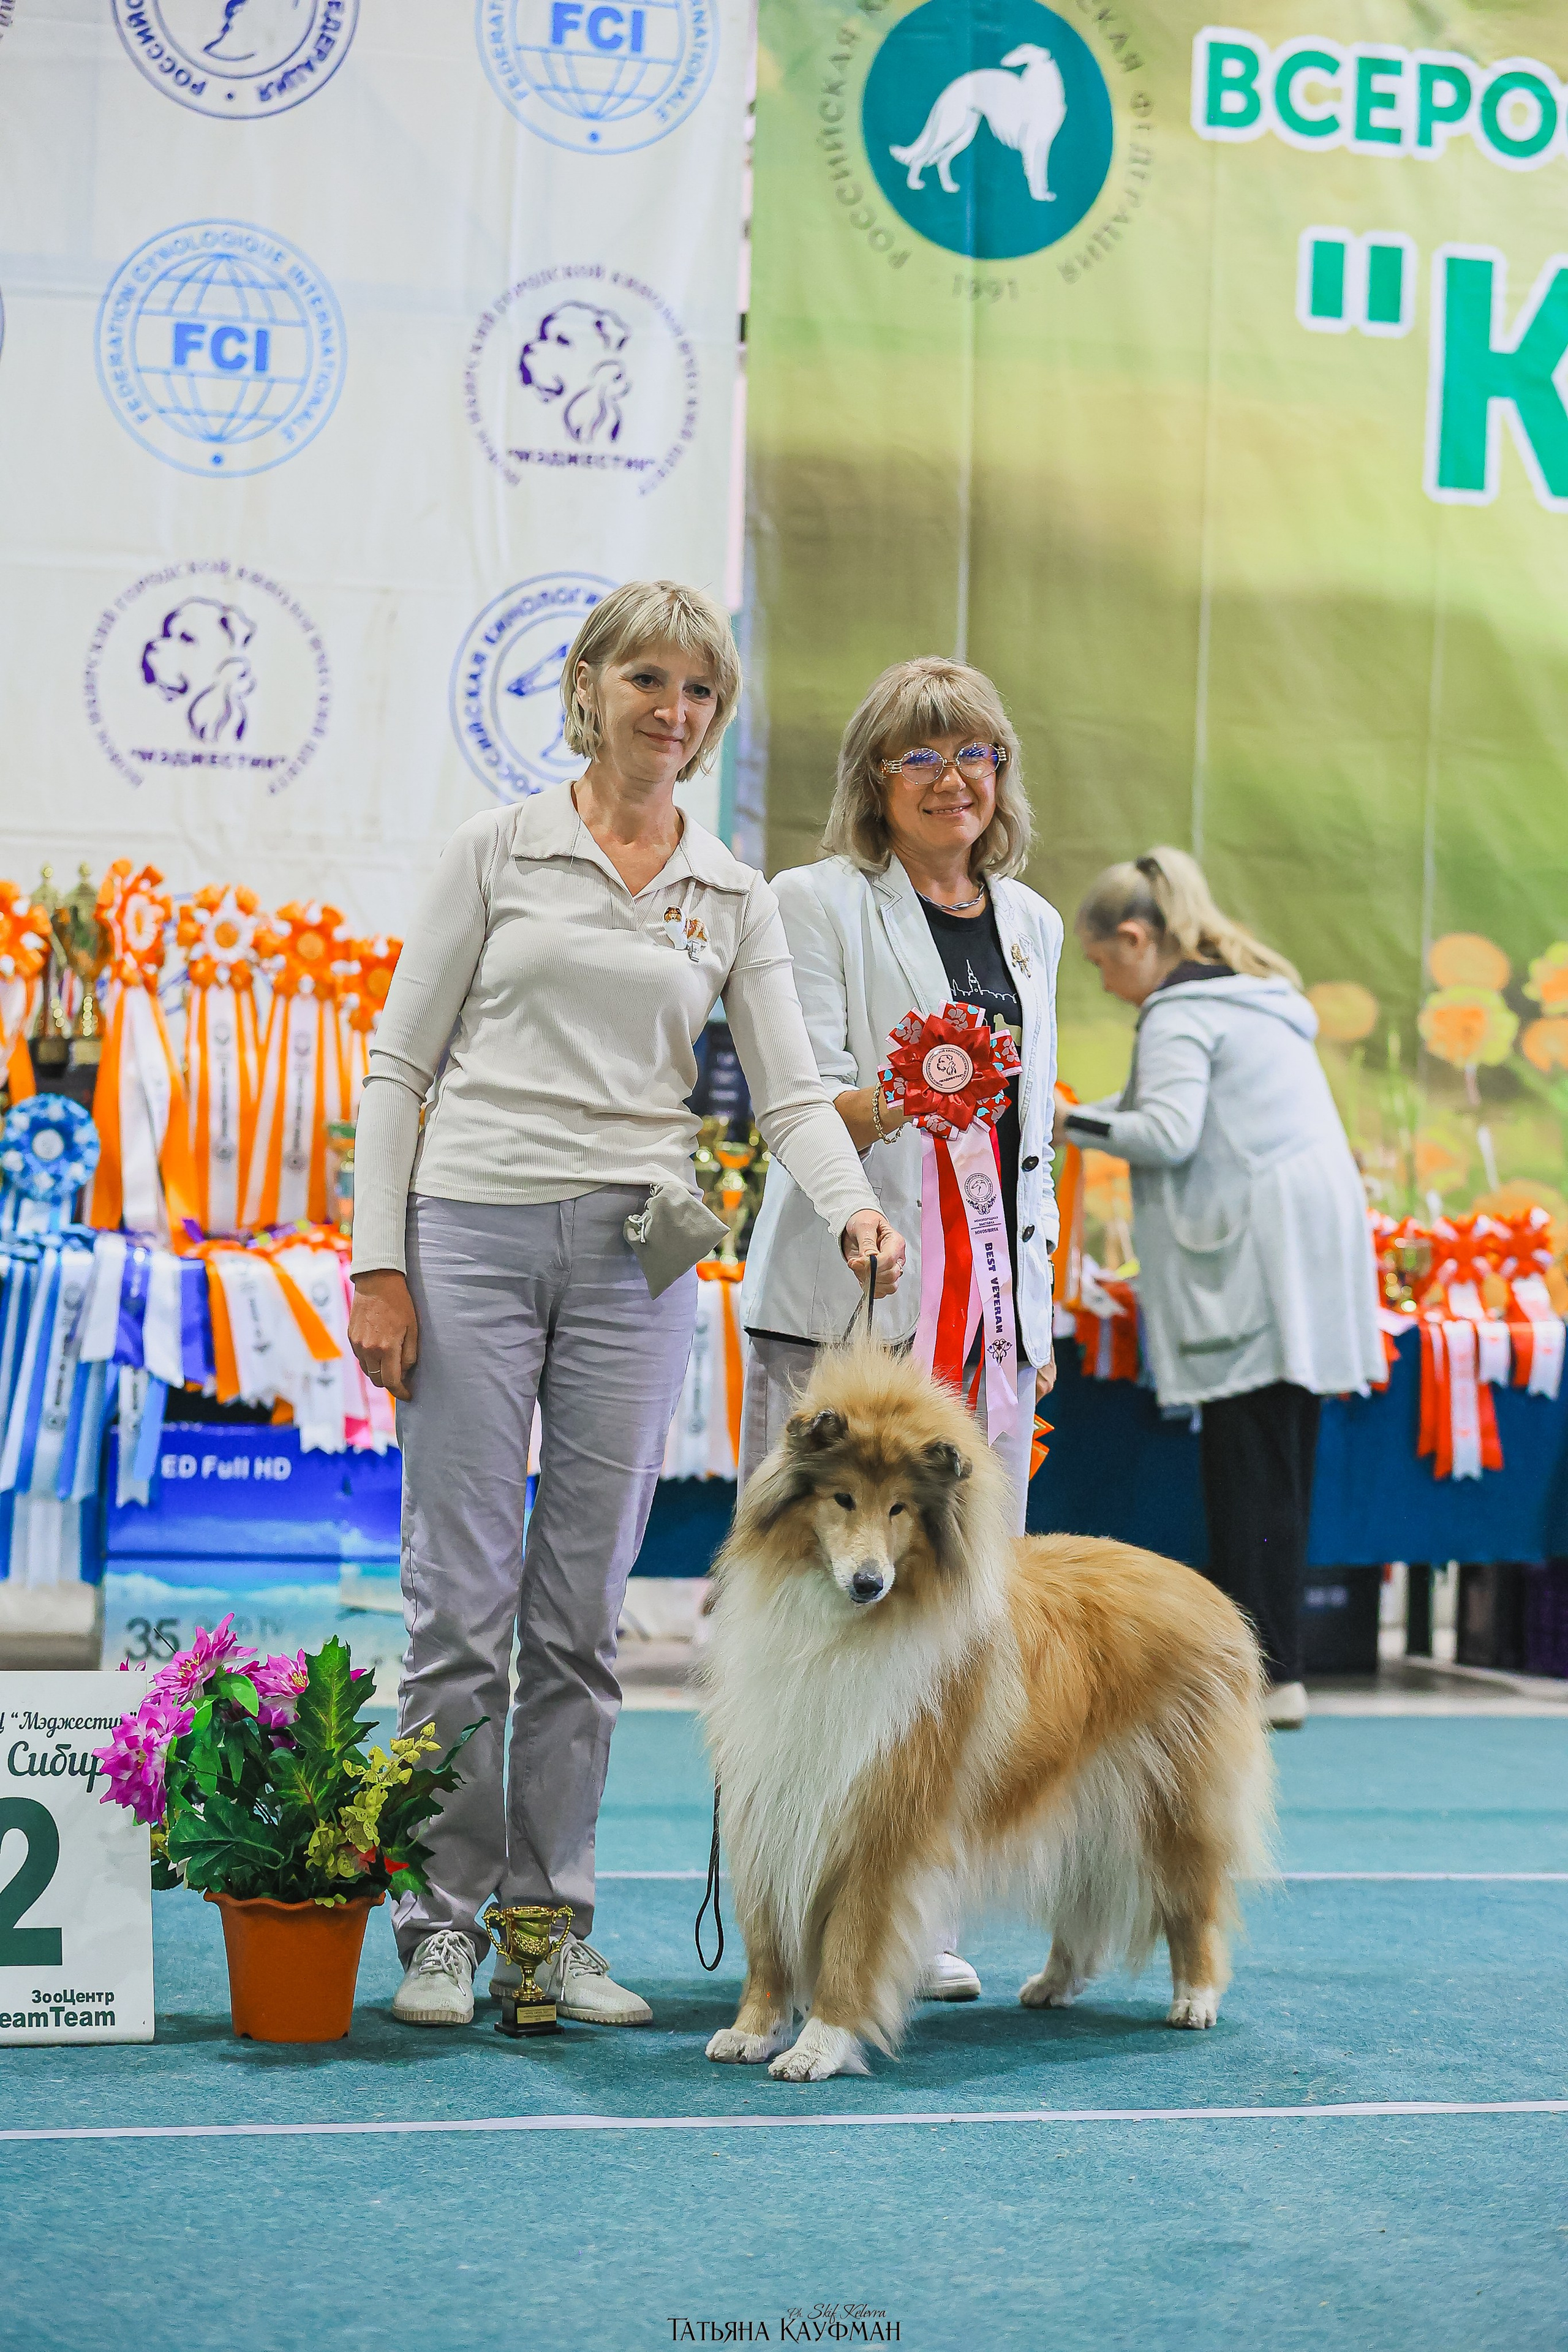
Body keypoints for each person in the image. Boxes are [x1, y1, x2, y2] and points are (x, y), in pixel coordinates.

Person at [347, 581, 907, 2029]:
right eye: (646, 680)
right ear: (586, 685)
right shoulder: (498, 850)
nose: (672, 712)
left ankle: (552, 1928)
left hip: (638, 1256)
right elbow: (397, 1068)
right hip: (465, 1229)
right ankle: (439, 1929)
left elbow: (787, 1090)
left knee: (584, 1619)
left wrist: (849, 1199)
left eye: (699, 693)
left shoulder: (730, 893)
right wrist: (375, 1262)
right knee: (458, 1610)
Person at [739, 655, 1064, 2000]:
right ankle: (783, 1919)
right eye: (921, 756)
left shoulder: (1031, 922)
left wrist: (1036, 1304)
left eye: (975, 754)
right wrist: (916, 1084)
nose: (952, 780)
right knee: (813, 1621)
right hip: (848, 1304)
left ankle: (905, 1908)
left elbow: (1032, 1135)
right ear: (875, 779)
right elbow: (800, 1095)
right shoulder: (812, 903)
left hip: (988, 1321)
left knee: (953, 1622)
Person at [1056, 848, 1384, 1731]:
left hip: (1257, 1257)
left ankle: (1269, 1671)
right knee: (1278, 1460)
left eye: (1102, 962)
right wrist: (1092, 1110)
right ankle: (1276, 1662)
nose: (1106, 982)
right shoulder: (1250, 999)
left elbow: (1162, 1129)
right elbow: (1157, 1104)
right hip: (1305, 1249)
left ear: (1135, 938)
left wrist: (1058, 1120)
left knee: (1248, 1468)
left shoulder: (1181, 1011)